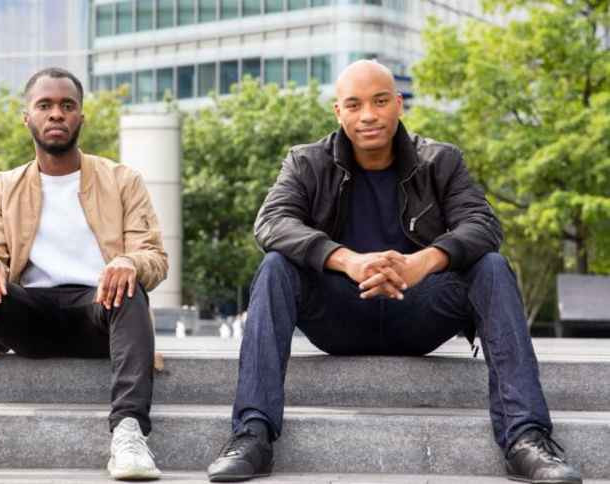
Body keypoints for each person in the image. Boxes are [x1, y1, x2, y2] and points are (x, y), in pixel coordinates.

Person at [207, 60, 582, 484]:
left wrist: (423, 262)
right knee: (275, 266)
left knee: (492, 266)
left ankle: (526, 438)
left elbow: (483, 224)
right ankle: (252, 434)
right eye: (355, 104)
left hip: (419, 310)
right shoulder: (306, 163)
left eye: (380, 101)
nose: (368, 115)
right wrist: (348, 260)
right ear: (338, 112)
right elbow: (272, 223)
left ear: (398, 104)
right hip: (339, 314)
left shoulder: (440, 160)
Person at [0, 67, 167, 481]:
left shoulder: (122, 179)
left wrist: (128, 262)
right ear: (28, 117)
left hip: (101, 309)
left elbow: (153, 256)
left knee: (130, 286)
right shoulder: (3, 186)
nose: (56, 114)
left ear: (81, 117)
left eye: (67, 106)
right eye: (44, 105)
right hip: (32, 316)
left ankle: (129, 434)